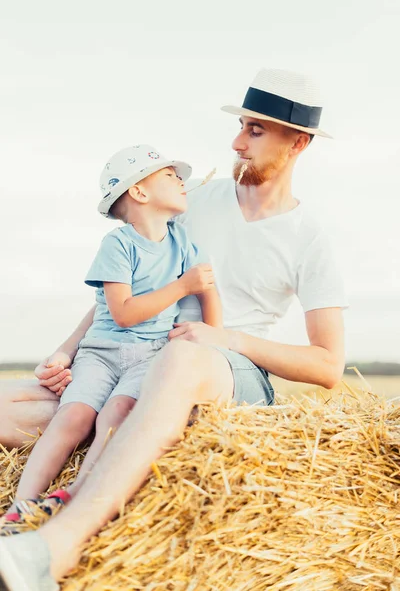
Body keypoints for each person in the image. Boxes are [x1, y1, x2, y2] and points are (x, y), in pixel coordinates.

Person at [0, 68, 347, 590]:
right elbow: (132, 285)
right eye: (242, 127)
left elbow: (328, 365)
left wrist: (224, 338)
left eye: (255, 130)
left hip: (228, 372)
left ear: (298, 142)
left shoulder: (311, 236)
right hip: (139, 360)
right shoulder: (195, 201)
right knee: (11, 402)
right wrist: (68, 351)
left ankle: (54, 548)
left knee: (181, 359)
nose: (237, 142)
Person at [2, 144, 222, 527]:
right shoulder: (118, 244)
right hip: (102, 351)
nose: (182, 182)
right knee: (74, 416)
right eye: (171, 176)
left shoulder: (185, 245)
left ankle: (75, 495)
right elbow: (122, 312)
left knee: (117, 415)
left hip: (152, 353)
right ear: (139, 192)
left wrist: (212, 338)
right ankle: (22, 504)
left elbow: (208, 296)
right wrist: (182, 286)